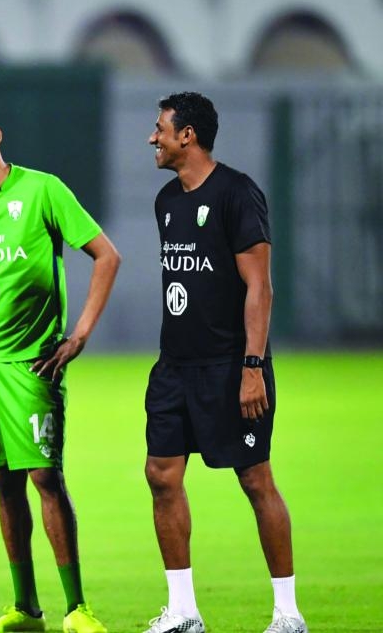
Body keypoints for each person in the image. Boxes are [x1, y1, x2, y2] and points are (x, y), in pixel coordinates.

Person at [0, 107, 121, 633]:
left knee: (45, 477)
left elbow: (107, 256)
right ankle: (25, 609)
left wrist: (79, 335)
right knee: (5, 484)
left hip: (32, 361)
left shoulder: (43, 190)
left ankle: (77, 608)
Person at [141, 92, 306, 633]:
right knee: (160, 474)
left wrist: (252, 367)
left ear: (187, 135)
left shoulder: (237, 193)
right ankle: (184, 612)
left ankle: (288, 615)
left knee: (255, 479)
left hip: (231, 366)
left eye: (161, 128)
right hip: (174, 367)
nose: (152, 137)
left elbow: (260, 287)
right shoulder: (167, 201)